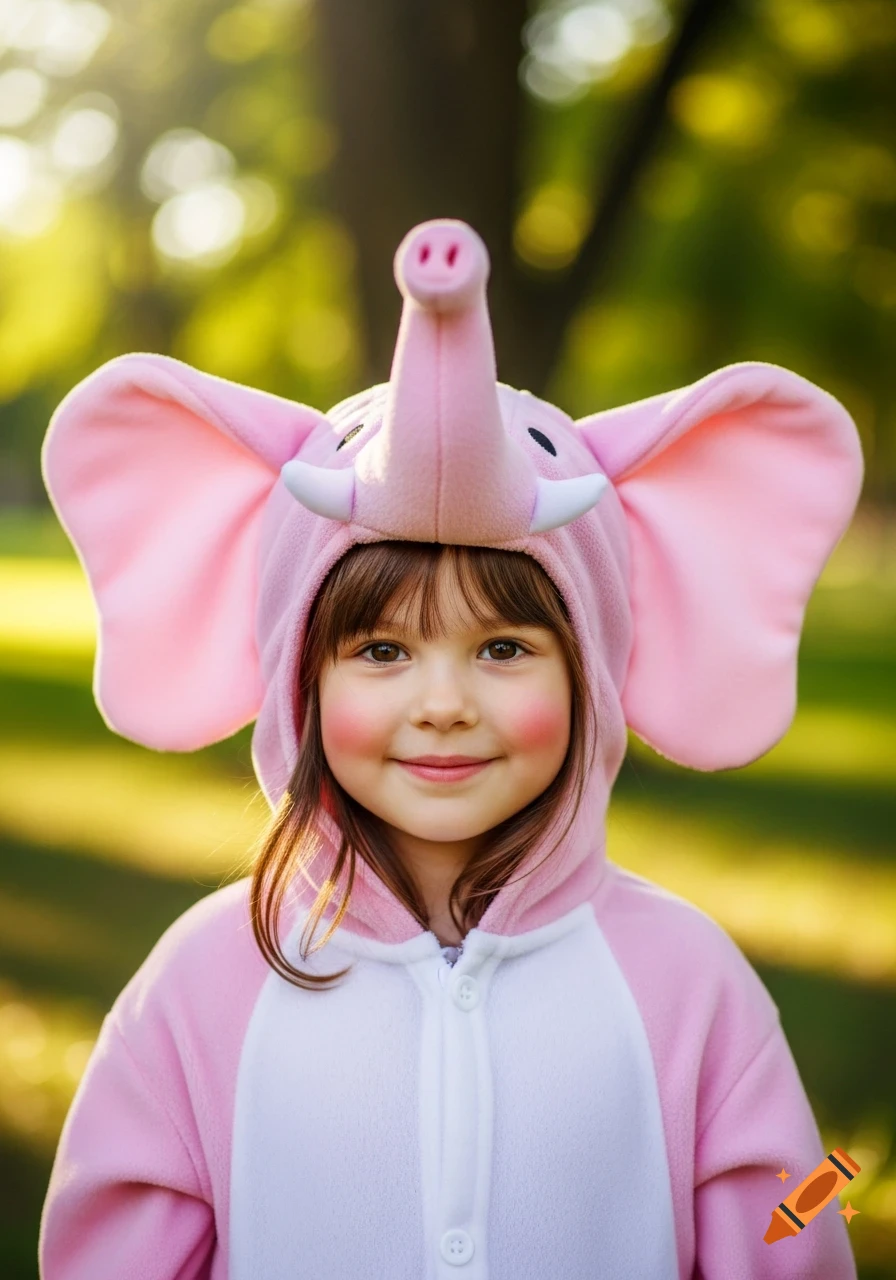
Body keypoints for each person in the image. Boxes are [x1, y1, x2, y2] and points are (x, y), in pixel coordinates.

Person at [37, 219, 863, 1279]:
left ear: (592, 670)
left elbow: (788, 1226)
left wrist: (826, 1181)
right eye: (380, 647)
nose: (441, 703)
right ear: (298, 673)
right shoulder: (199, 986)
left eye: (503, 646)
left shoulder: (693, 985)